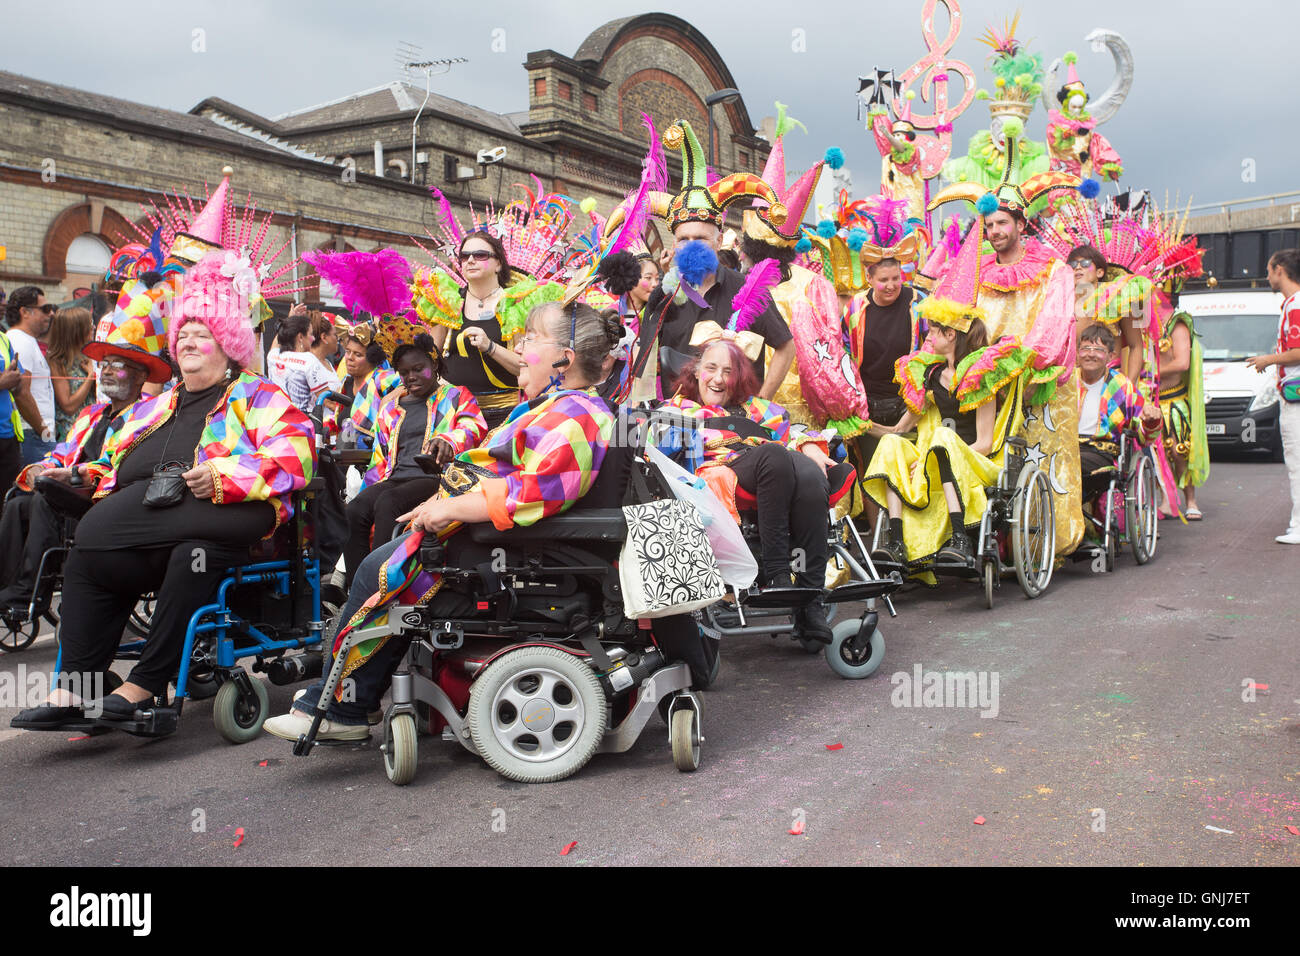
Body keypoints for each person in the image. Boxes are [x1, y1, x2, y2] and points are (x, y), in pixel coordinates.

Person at [262, 301, 693, 742]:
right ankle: (350, 700)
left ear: (563, 357)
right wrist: (437, 502)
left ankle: (346, 706)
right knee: (378, 562)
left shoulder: (577, 414)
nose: (519, 348)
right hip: (496, 537)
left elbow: (534, 493)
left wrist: (448, 509)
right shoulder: (554, 407)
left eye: (530, 339)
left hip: (513, 548)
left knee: (378, 573)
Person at [11, 251, 315, 729]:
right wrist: (77, 478)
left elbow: (296, 459)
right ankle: (77, 688)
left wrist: (221, 476)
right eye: (185, 334)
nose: (191, 341)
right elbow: (111, 464)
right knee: (92, 557)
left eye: (204, 334)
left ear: (228, 342)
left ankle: (145, 682)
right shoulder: (154, 407)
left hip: (232, 514)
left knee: (113, 532)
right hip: (159, 525)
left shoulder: (258, 395)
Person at [928, 143, 1085, 557]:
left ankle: (1046, 543)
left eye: (1001, 223)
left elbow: (1054, 329)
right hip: (984, 387)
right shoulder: (975, 271)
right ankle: (976, 540)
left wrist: (1024, 371)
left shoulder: (1055, 270)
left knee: (1040, 464)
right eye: (988, 224)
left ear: (1021, 221)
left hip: (1039, 383)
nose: (994, 231)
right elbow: (952, 320)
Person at [863, 217, 1035, 566]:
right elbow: (900, 430)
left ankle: (961, 539)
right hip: (938, 457)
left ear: (951, 334)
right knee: (894, 445)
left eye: (934, 332)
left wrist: (935, 459)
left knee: (941, 438)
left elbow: (985, 443)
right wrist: (860, 425)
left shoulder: (979, 376)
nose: (928, 338)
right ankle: (896, 542)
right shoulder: (930, 375)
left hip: (975, 461)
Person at [662, 339, 851, 640]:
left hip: (778, 471)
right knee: (776, 455)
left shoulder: (758, 408)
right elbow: (656, 448)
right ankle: (778, 575)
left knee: (812, 474)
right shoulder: (677, 408)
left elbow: (797, 431)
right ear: (696, 370)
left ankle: (810, 603)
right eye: (711, 368)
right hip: (721, 474)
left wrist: (811, 445)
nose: (719, 378)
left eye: (728, 371)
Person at [631, 120, 793, 400]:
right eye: (684, 240)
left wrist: (761, 404)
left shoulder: (748, 288)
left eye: (701, 239)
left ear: (719, 241)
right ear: (674, 243)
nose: (691, 247)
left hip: (737, 428)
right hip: (678, 424)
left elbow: (785, 347)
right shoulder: (661, 297)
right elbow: (643, 364)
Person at [0, 333, 158, 613]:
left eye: (116, 366)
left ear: (139, 377)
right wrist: (43, 467)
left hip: (106, 496)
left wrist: (75, 473)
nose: (107, 370)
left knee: (44, 499)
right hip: (67, 491)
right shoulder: (92, 414)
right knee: (17, 503)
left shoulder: (148, 414)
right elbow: (62, 452)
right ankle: (6, 587)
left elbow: (123, 463)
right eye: (105, 365)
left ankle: (27, 594)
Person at [343, 334, 485, 587]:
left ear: (434, 365)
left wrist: (449, 441)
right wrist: (367, 493)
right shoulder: (389, 409)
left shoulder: (455, 396)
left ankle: (383, 584)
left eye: (419, 369)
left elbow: (474, 426)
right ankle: (358, 587)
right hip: (395, 479)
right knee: (355, 509)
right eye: (404, 372)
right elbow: (380, 460)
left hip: (436, 480)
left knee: (388, 503)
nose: (411, 377)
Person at [1075, 325, 1160, 506]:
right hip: (1066, 448)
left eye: (1098, 350)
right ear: (1077, 353)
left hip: (1099, 452)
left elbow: (1144, 435)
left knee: (1068, 466)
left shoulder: (1121, 386)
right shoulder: (1066, 381)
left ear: (1110, 356)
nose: (1090, 354)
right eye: (1085, 349)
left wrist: (1151, 421)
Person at [1248, 248, 1300, 544]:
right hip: (1292, 392)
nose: (1267, 277)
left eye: (1269, 271)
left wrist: (1269, 359)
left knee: (1296, 461)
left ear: (1280, 270)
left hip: (1295, 394)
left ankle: (1299, 524)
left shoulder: (1295, 305)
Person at [1156, 304, 1209, 519]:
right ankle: (1164, 501)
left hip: (1173, 400)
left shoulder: (1176, 325)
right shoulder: (1137, 321)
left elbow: (1182, 362)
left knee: (1179, 452)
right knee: (1154, 455)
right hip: (1148, 397)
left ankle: (1191, 501)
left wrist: (1150, 371)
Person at [4, 286, 57, 464]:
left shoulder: (26, 339)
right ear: (25, 312)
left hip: (35, 432)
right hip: (33, 433)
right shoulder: (19, 340)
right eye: (45, 309)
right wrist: (44, 432)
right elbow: (22, 392)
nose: (50, 314)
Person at [268, 312, 342, 414]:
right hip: (301, 423)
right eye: (310, 334)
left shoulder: (273, 355)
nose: (313, 338)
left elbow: (277, 342)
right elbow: (328, 401)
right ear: (300, 337)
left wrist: (289, 321)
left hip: (276, 421)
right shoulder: (309, 360)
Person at [0, 322, 42, 492]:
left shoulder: (3, 339)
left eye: (3, 296)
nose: (2, 302)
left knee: (6, 504)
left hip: (7, 437)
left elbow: (21, 391)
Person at [46, 306, 96, 442]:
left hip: (92, 430)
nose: (93, 328)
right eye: (90, 324)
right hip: (71, 436)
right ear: (76, 331)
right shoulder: (57, 362)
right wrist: (91, 376)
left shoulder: (90, 356)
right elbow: (68, 406)